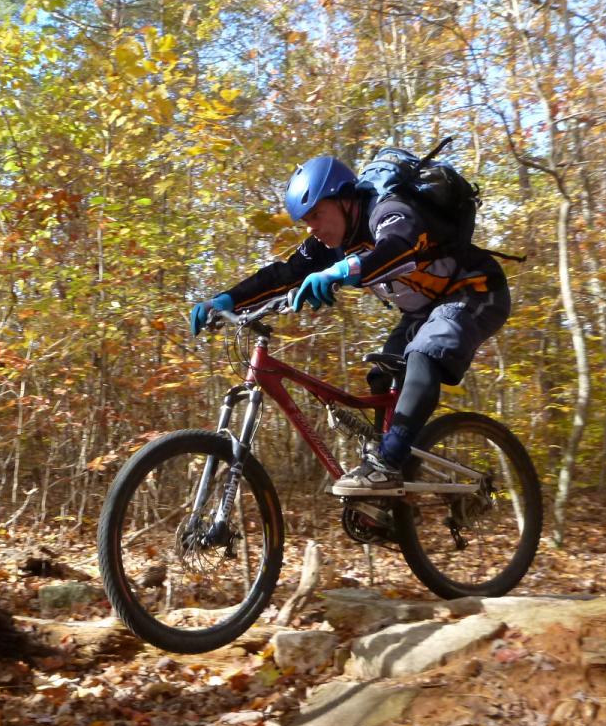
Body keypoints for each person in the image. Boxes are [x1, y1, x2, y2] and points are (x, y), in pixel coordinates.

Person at [189, 154, 511, 496]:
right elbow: (284, 275)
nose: (311, 228)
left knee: (424, 354)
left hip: (474, 291)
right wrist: (226, 300)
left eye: (316, 215)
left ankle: (386, 465)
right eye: (305, 221)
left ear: (345, 199)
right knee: (382, 375)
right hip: (422, 311)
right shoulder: (332, 242)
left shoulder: (389, 210)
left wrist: (342, 270)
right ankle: (387, 481)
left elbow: (396, 249)